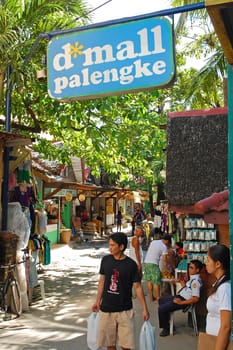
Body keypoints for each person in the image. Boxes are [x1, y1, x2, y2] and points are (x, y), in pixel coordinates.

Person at [92, 232, 149, 350]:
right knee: (110, 345)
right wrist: (97, 301)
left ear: (121, 247)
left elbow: (137, 287)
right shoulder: (106, 260)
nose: (110, 248)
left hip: (125, 311)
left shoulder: (131, 265)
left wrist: (145, 309)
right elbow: (102, 281)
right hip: (107, 309)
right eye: (109, 245)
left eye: (113, 245)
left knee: (126, 346)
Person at [158, 259, 203, 337]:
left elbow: (195, 298)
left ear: (197, 270)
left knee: (161, 309)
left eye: (192, 268)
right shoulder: (192, 279)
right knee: (161, 300)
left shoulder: (195, 282)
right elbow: (188, 290)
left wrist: (181, 302)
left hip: (184, 301)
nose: (189, 269)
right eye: (189, 267)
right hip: (180, 297)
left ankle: (166, 328)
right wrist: (179, 282)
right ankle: (168, 323)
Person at [205, 244, 231, 350]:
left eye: (208, 260)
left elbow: (226, 326)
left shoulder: (225, 288)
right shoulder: (219, 283)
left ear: (218, 264)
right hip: (212, 339)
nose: (205, 263)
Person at [143, 234, 171, 302]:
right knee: (156, 282)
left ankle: (151, 297)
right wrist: (166, 268)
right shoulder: (164, 246)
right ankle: (159, 298)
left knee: (149, 280)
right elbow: (164, 259)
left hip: (146, 262)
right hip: (154, 264)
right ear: (167, 241)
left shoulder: (154, 241)